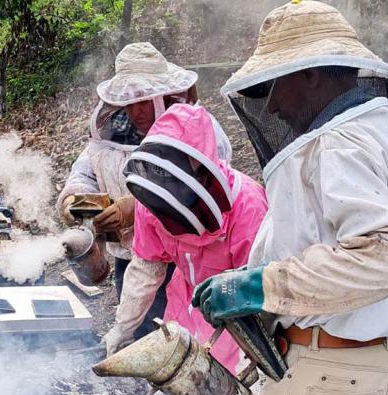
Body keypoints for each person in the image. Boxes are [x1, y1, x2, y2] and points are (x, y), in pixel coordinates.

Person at [191, 1, 388, 395]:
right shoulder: (385, 128)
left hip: (331, 374)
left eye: (272, 87)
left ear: (308, 74)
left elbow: (382, 256)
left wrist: (259, 285)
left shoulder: (338, 143)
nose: (269, 106)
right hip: (368, 367)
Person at [57, 42, 232, 339]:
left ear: (163, 94)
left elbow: (206, 191)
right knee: (138, 333)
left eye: (143, 100)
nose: (135, 110)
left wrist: (134, 208)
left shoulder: (195, 126)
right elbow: (87, 167)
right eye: (128, 101)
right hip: (130, 255)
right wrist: (76, 198)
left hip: (184, 259)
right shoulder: (112, 128)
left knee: (182, 338)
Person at [104, 103, 268, 374]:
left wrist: (253, 358)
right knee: (177, 374)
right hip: (185, 305)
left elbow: (258, 289)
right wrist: (123, 327)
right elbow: (146, 267)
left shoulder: (248, 207)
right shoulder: (152, 199)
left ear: (200, 167)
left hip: (237, 312)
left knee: (226, 382)